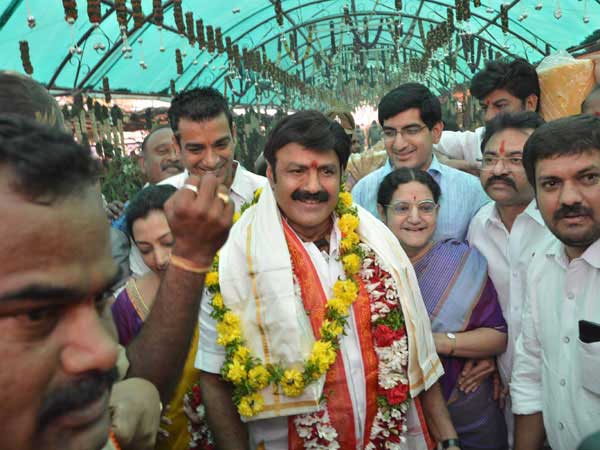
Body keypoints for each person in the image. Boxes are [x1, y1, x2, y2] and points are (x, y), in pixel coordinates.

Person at [197, 110, 462, 450]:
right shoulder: (234, 258)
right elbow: (214, 378)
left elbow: (416, 353)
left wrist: (449, 438)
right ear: (271, 175)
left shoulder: (376, 244)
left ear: (341, 177)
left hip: (389, 435)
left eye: (325, 172)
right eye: (296, 171)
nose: (312, 187)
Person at [378, 168, 508, 449]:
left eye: (425, 208)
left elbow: (497, 336)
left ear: (438, 211)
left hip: (469, 408)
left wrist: (430, 342)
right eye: (402, 208)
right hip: (397, 417)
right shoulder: (368, 271)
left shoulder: (462, 261)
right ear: (381, 212)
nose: (415, 218)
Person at [511, 114, 600, 450]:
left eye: (588, 177)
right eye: (551, 184)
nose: (568, 198)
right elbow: (531, 373)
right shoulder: (541, 261)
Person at [467, 112, 552, 446]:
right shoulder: (478, 226)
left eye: (515, 159)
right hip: (502, 389)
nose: (499, 169)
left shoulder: (560, 229)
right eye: (489, 159)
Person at [112, 184, 214, 450]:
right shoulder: (126, 304)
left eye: (168, 243)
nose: (159, 258)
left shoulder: (222, 283)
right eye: (145, 249)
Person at [352, 82, 489, 241]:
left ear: (436, 132)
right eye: (389, 133)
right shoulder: (363, 192)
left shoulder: (471, 192)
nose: (399, 144)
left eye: (411, 131)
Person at [159, 87, 268, 210]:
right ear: (177, 146)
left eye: (221, 145)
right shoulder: (161, 201)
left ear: (234, 134)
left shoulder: (269, 194)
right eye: (196, 149)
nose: (211, 161)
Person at [435, 58, 540, 169]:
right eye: (484, 108)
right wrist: (444, 162)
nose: (488, 117)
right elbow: (425, 143)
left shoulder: (551, 145)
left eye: (500, 106)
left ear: (530, 103)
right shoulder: (477, 140)